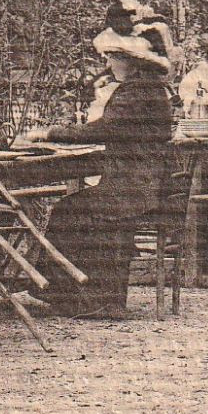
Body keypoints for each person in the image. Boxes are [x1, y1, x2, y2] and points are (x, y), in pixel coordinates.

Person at [30, 18, 176, 316]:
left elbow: (102, 129)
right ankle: (75, 295)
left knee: (71, 211)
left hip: (133, 189)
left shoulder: (136, 92)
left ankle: (86, 298)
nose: (108, 63)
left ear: (130, 61)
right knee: (73, 208)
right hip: (144, 185)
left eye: (112, 57)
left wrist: (48, 133)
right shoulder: (148, 88)